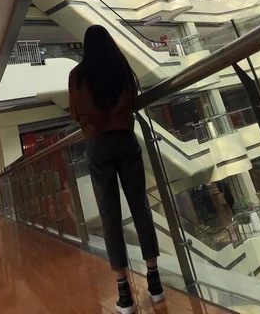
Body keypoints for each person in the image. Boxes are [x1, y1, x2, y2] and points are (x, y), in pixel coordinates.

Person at [69, 25, 164, 314]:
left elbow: (75, 114)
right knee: (140, 208)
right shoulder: (121, 67)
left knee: (110, 217)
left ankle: (124, 293)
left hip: (98, 146)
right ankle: (155, 281)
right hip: (125, 140)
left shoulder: (77, 75)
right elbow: (134, 103)